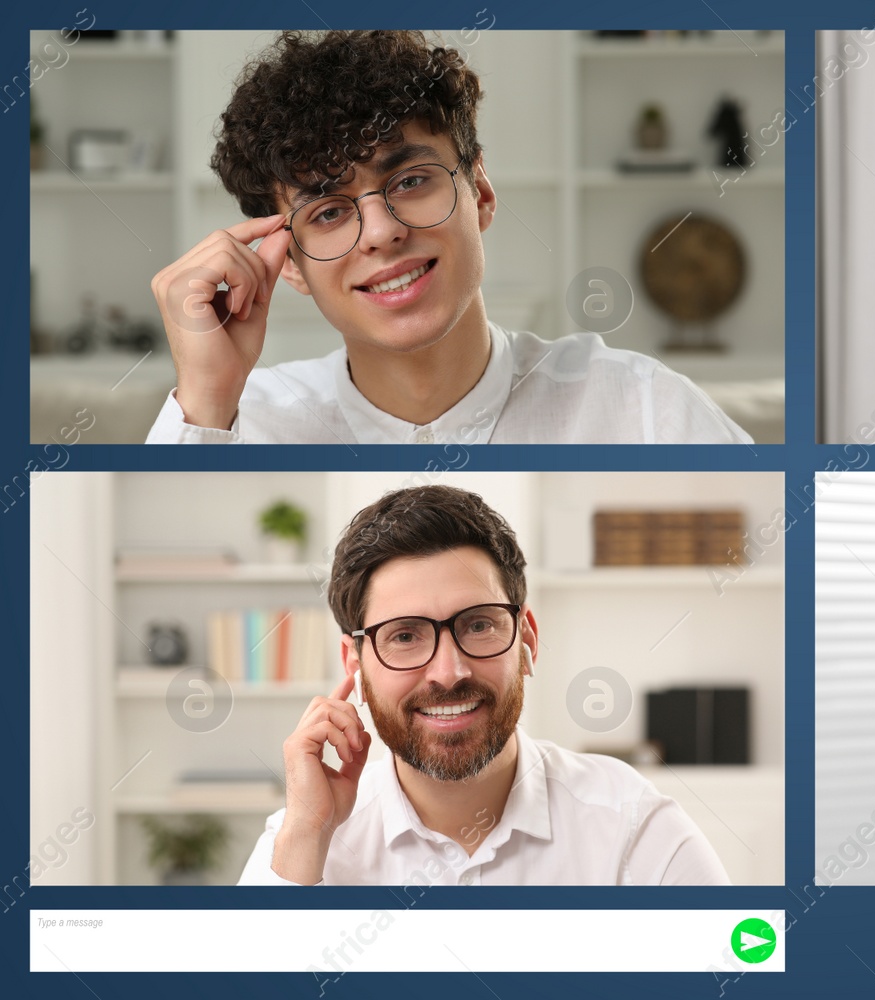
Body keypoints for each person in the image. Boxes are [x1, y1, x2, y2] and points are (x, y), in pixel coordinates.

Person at [148, 30, 751, 444]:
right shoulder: (233, 426)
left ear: (480, 191)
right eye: (328, 212)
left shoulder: (646, 410)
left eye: (410, 180)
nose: (381, 233)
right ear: (292, 266)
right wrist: (204, 396)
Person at [238, 484, 731, 885]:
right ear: (356, 665)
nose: (449, 672)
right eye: (405, 636)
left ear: (528, 640)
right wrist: (307, 834)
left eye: (478, 624)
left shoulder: (629, 822)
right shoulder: (302, 838)